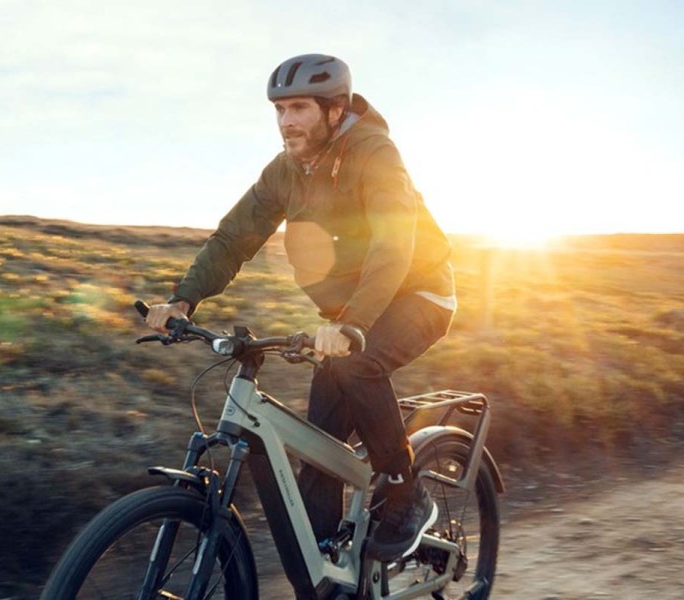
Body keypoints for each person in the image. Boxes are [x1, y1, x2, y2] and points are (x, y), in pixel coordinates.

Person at [145, 53, 456, 564]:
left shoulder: (374, 152)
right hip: (347, 316)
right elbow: (233, 237)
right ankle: (329, 572)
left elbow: (392, 246)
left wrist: (352, 324)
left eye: (299, 109)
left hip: (417, 293)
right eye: (280, 110)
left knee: (357, 363)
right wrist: (183, 298)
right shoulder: (285, 171)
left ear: (334, 110)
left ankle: (406, 493)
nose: (286, 121)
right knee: (319, 451)